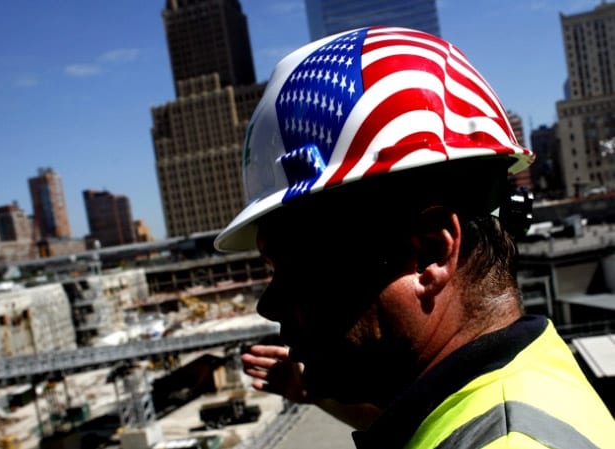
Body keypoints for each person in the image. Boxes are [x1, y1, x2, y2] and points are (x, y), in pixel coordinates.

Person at [215, 26, 615, 449]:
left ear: (430, 251)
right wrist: (313, 385)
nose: (268, 303)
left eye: (299, 266)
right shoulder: (525, 379)